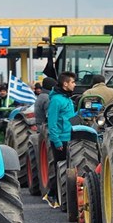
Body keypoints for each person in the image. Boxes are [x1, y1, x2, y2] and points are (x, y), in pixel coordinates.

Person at [44, 71, 76, 208]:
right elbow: (52, 122)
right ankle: (53, 195)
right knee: (61, 168)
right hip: (60, 140)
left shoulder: (67, 99)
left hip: (70, 137)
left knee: (68, 168)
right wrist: (56, 141)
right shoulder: (56, 100)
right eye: (72, 82)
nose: (75, 85)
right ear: (65, 84)